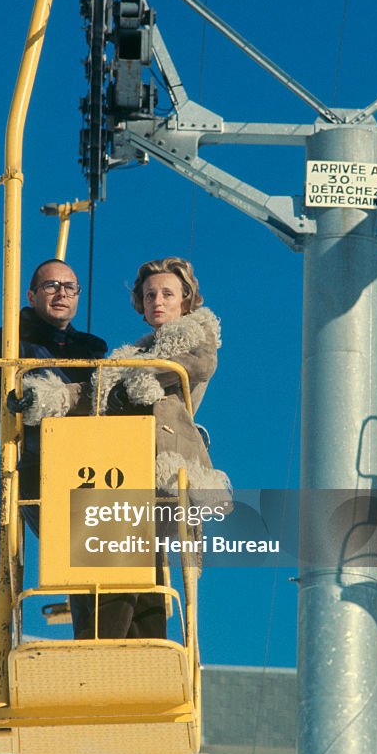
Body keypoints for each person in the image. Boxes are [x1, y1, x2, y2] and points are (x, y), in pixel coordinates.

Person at [76, 256, 230, 640]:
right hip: (126, 465)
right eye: (149, 296)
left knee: (136, 559)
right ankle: (133, 645)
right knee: (129, 559)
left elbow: (198, 366)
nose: (157, 301)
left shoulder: (196, 338)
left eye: (166, 294)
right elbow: (95, 389)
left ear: (186, 300)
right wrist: (48, 396)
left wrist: (132, 376)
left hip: (168, 463)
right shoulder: (132, 356)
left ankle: (122, 645)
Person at [0, 258, 107, 637]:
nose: (62, 293)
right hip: (43, 465)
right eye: (52, 286)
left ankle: (128, 640)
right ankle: (94, 643)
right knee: (83, 551)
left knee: (124, 554)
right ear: (32, 294)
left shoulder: (92, 350)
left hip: (96, 463)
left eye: (70, 287)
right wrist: (17, 408)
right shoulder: (10, 343)